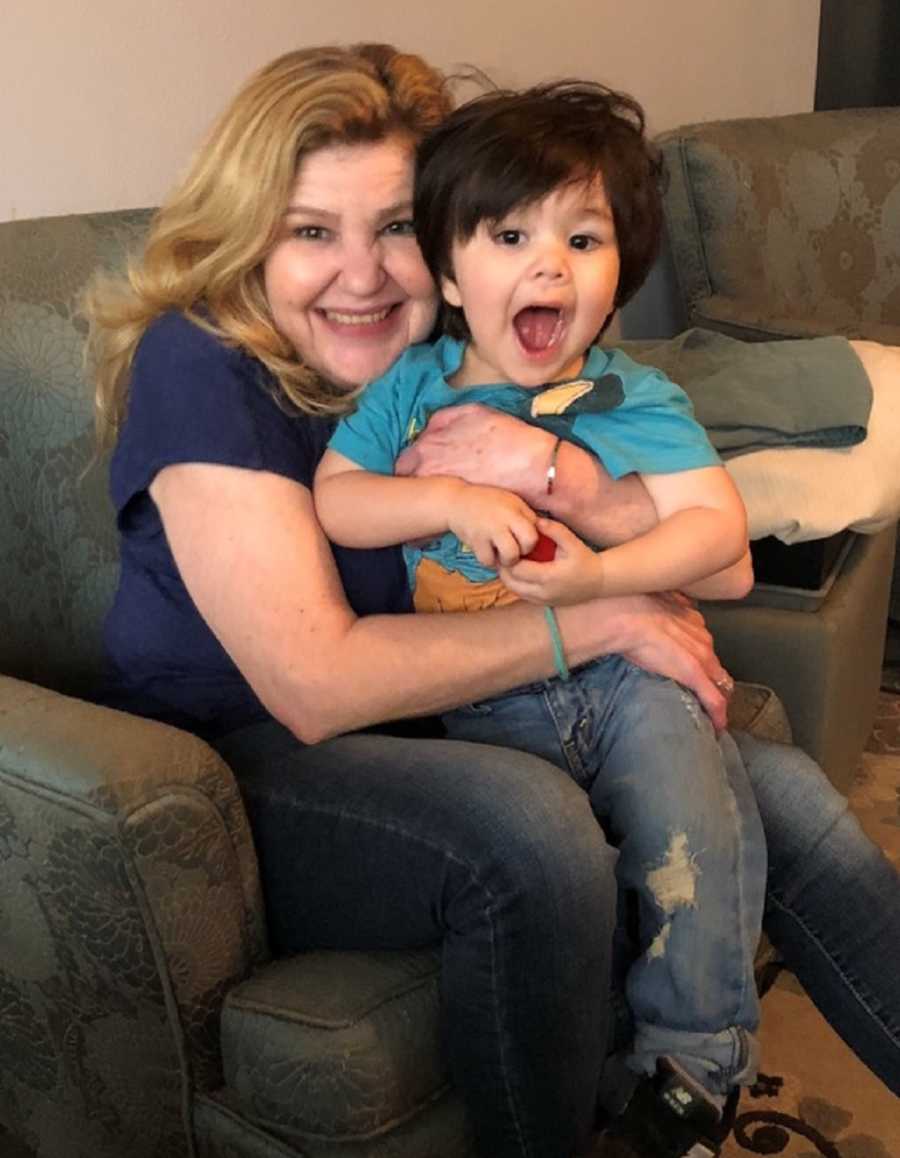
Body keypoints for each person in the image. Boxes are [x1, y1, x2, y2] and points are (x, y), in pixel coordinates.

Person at [85, 42, 900, 1158]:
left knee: (786, 795)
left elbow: (713, 564)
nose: (364, 275)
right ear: (248, 237)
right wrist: (603, 617)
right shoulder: (204, 362)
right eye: (312, 231)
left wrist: (560, 481)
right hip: (244, 761)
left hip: (444, 713)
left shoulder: (439, 362)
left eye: (394, 231)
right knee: (536, 839)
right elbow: (314, 683)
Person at [314, 79, 764, 1138]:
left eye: (585, 237)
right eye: (510, 234)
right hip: (488, 703)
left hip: (627, 678)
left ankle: (693, 1064)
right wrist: (446, 497)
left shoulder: (633, 399)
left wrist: (605, 577)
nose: (548, 264)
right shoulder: (411, 391)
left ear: (619, 278)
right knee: (636, 841)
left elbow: (718, 531)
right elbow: (338, 502)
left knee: (700, 832)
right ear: (451, 273)